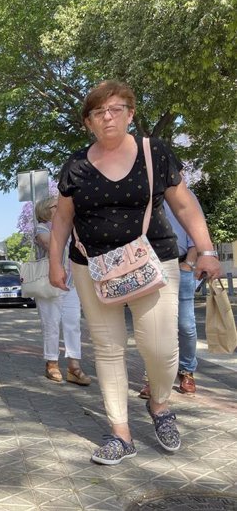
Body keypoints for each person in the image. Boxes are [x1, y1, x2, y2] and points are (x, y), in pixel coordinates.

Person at [49, 80, 221, 465]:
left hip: (152, 261)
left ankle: (159, 405)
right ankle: (120, 433)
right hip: (92, 266)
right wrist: (55, 262)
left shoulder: (154, 152)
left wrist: (205, 249)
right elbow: (63, 217)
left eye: (115, 109)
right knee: (108, 350)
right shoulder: (75, 165)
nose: (107, 117)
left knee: (159, 346)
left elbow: (185, 205)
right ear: (88, 122)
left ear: (130, 113)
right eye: (97, 112)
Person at [139, 194, 201, 398]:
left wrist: (189, 264)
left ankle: (186, 371)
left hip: (182, 265)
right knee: (154, 325)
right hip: (152, 267)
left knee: (186, 325)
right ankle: (153, 378)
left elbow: (196, 235)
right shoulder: (145, 193)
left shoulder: (187, 196)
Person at [33, 195, 91, 386]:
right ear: (44, 211)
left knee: (73, 323)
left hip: (72, 283)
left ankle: (74, 366)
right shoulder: (41, 228)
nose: (61, 208)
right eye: (55, 206)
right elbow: (50, 244)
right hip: (49, 284)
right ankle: (52, 363)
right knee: (51, 324)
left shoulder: (74, 228)